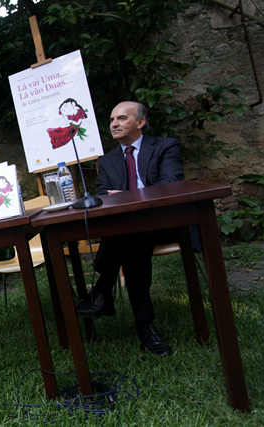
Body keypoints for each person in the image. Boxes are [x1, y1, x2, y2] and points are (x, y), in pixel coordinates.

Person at [74, 101, 184, 357]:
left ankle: (102, 290)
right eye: (112, 119)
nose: (114, 124)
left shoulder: (166, 146)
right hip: (132, 230)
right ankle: (145, 327)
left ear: (141, 122)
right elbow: (103, 198)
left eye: (121, 118)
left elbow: (171, 186)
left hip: (165, 223)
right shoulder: (108, 160)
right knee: (132, 234)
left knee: (130, 233)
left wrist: (128, 195)